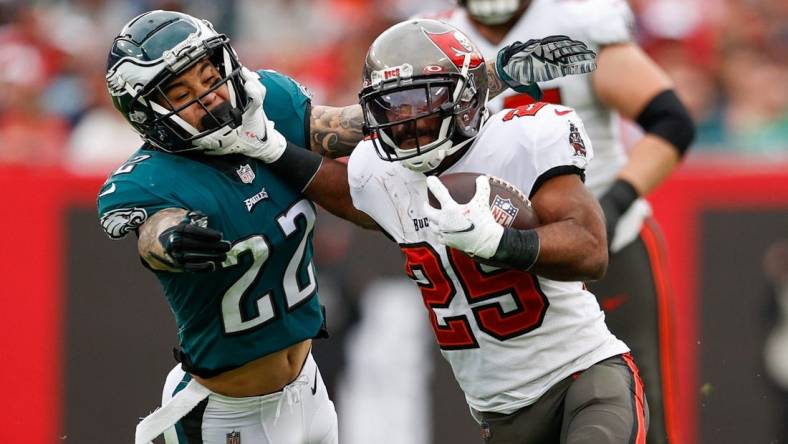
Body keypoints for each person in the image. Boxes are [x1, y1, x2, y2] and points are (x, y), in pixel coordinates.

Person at [97, 10, 588, 444]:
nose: (208, 97)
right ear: (147, 114)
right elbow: (154, 233)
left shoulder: (269, 105)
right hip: (224, 412)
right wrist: (173, 241)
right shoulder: (152, 179)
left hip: (308, 389)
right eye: (181, 93)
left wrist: (493, 75)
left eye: (208, 76)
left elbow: (376, 120)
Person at [228, 19, 648, 443]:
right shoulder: (383, 173)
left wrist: (502, 243)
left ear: (465, 99)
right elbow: (344, 191)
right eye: (394, 106)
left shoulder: (521, 138)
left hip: (583, 378)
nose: (409, 120)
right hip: (500, 416)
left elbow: (591, 250)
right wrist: (273, 150)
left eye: (422, 101)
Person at [425, 1, 697, 442]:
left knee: (642, 408)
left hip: (606, 243)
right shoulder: (435, 42)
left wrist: (613, 205)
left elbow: (671, 122)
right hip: (500, 263)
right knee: (519, 413)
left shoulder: (575, 22)